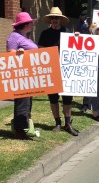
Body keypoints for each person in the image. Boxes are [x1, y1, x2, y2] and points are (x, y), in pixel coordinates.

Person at [38, 7, 78, 136]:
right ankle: (57, 123)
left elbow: (76, 49)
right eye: (52, 18)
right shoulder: (44, 34)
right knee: (53, 99)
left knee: (67, 99)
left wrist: (77, 38)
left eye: (57, 18)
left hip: (66, 70)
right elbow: (40, 50)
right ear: (50, 20)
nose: (54, 20)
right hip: (51, 70)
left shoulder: (67, 33)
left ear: (60, 19)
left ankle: (68, 123)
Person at [6, 12, 38, 140]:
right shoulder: (14, 37)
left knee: (27, 102)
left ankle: (24, 127)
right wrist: (18, 53)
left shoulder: (25, 37)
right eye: (31, 22)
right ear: (26, 24)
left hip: (29, 74)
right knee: (22, 102)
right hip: (21, 75)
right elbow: (10, 55)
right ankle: (19, 130)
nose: (32, 24)